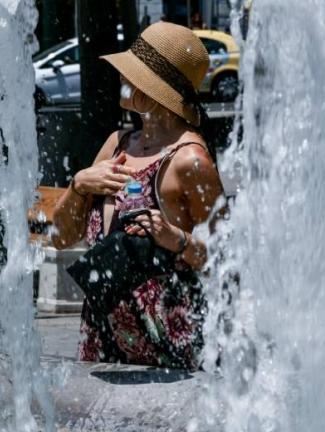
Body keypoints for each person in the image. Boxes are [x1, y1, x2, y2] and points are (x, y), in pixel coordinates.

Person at [52, 22, 224, 370]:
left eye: (132, 73)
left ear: (153, 89)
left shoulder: (189, 160)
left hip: (163, 346)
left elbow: (226, 256)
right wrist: (79, 185)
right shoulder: (118, 144)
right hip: (102, 338)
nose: (122, 78)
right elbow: (60, 237)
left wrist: (174, 239)